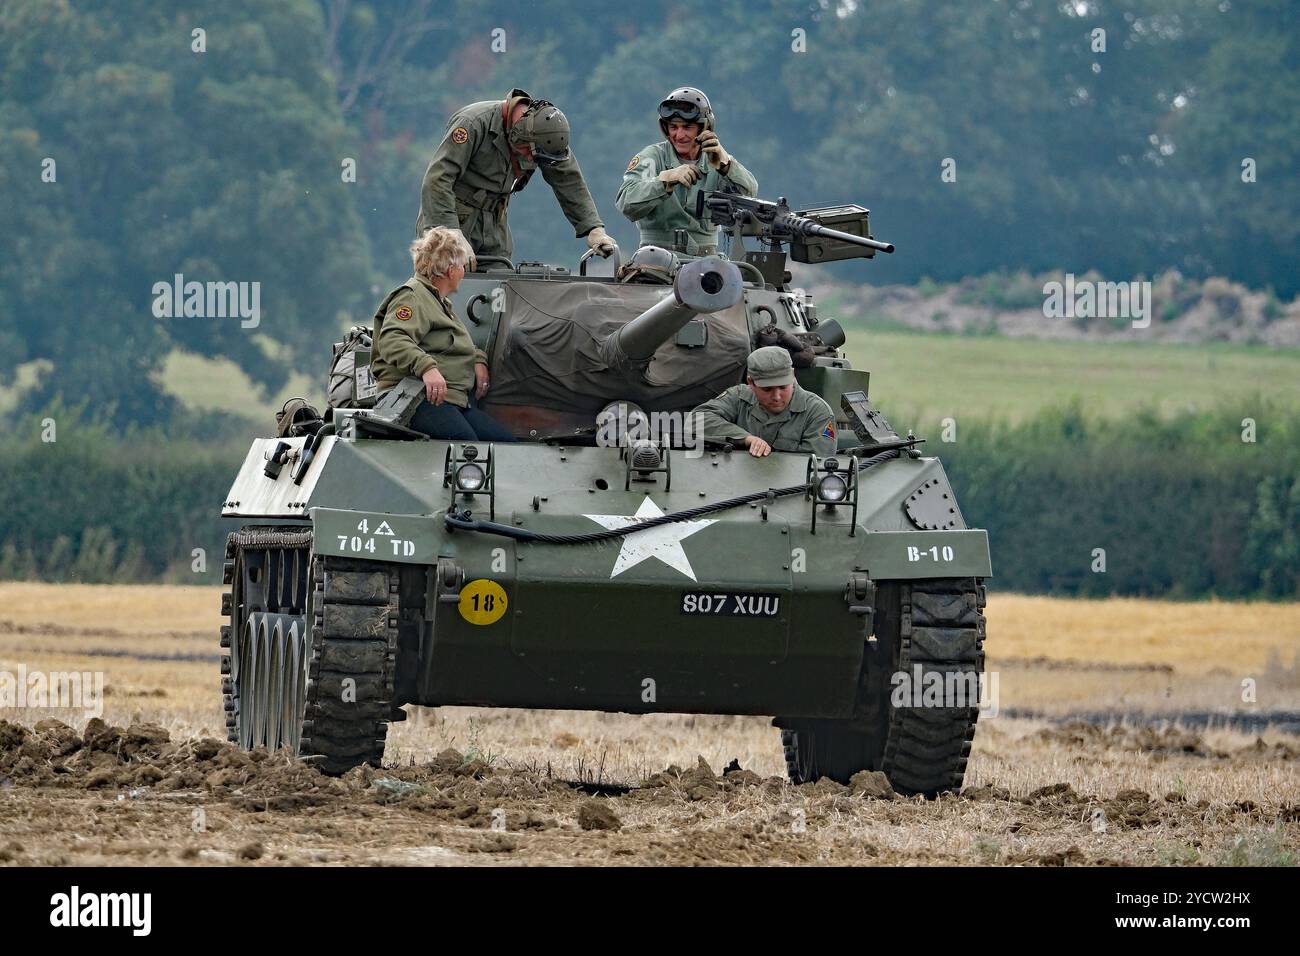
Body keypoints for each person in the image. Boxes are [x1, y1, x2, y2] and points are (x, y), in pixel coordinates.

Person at [416, 88, 615, 262]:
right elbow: (438, 179)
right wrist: (451, 234)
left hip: (494, 224)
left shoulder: (546, 138)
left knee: (498, 292)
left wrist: (594, 229)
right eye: (529, 152)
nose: (532, 159)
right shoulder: (473, 123)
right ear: (518, 133)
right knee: (444, 289)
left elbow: (569, 181)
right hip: (449, 217)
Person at [370, 227, 514, 442]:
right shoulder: (413, 297)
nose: (464, 271)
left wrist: (478, 359)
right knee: (466, 448)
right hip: (414, 397)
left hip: (450, 400)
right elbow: (392, 339)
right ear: (451, 270)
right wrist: (426, 367)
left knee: (504, 443)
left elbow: (450, 344)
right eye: (462, 265)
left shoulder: (439, 302)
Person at [615, 87, 758, 255]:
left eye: (687, 127)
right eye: (673, 127)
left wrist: (726, 165)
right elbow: (626, 201)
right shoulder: (653, 157)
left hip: (707, 260)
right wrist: (664, 181)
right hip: (654, 260)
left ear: (704, 127)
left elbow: (750, 193)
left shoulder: (717, 160)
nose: (679, 135)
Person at [692, 347, 837, 457]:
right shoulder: (739, 397)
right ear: (751, 382)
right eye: (767, 389)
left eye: (783, 387)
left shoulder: (817, 412)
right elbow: (696, 420)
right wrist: (745, 438)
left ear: (793, 375)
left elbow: (818, 465)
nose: (777, 396)